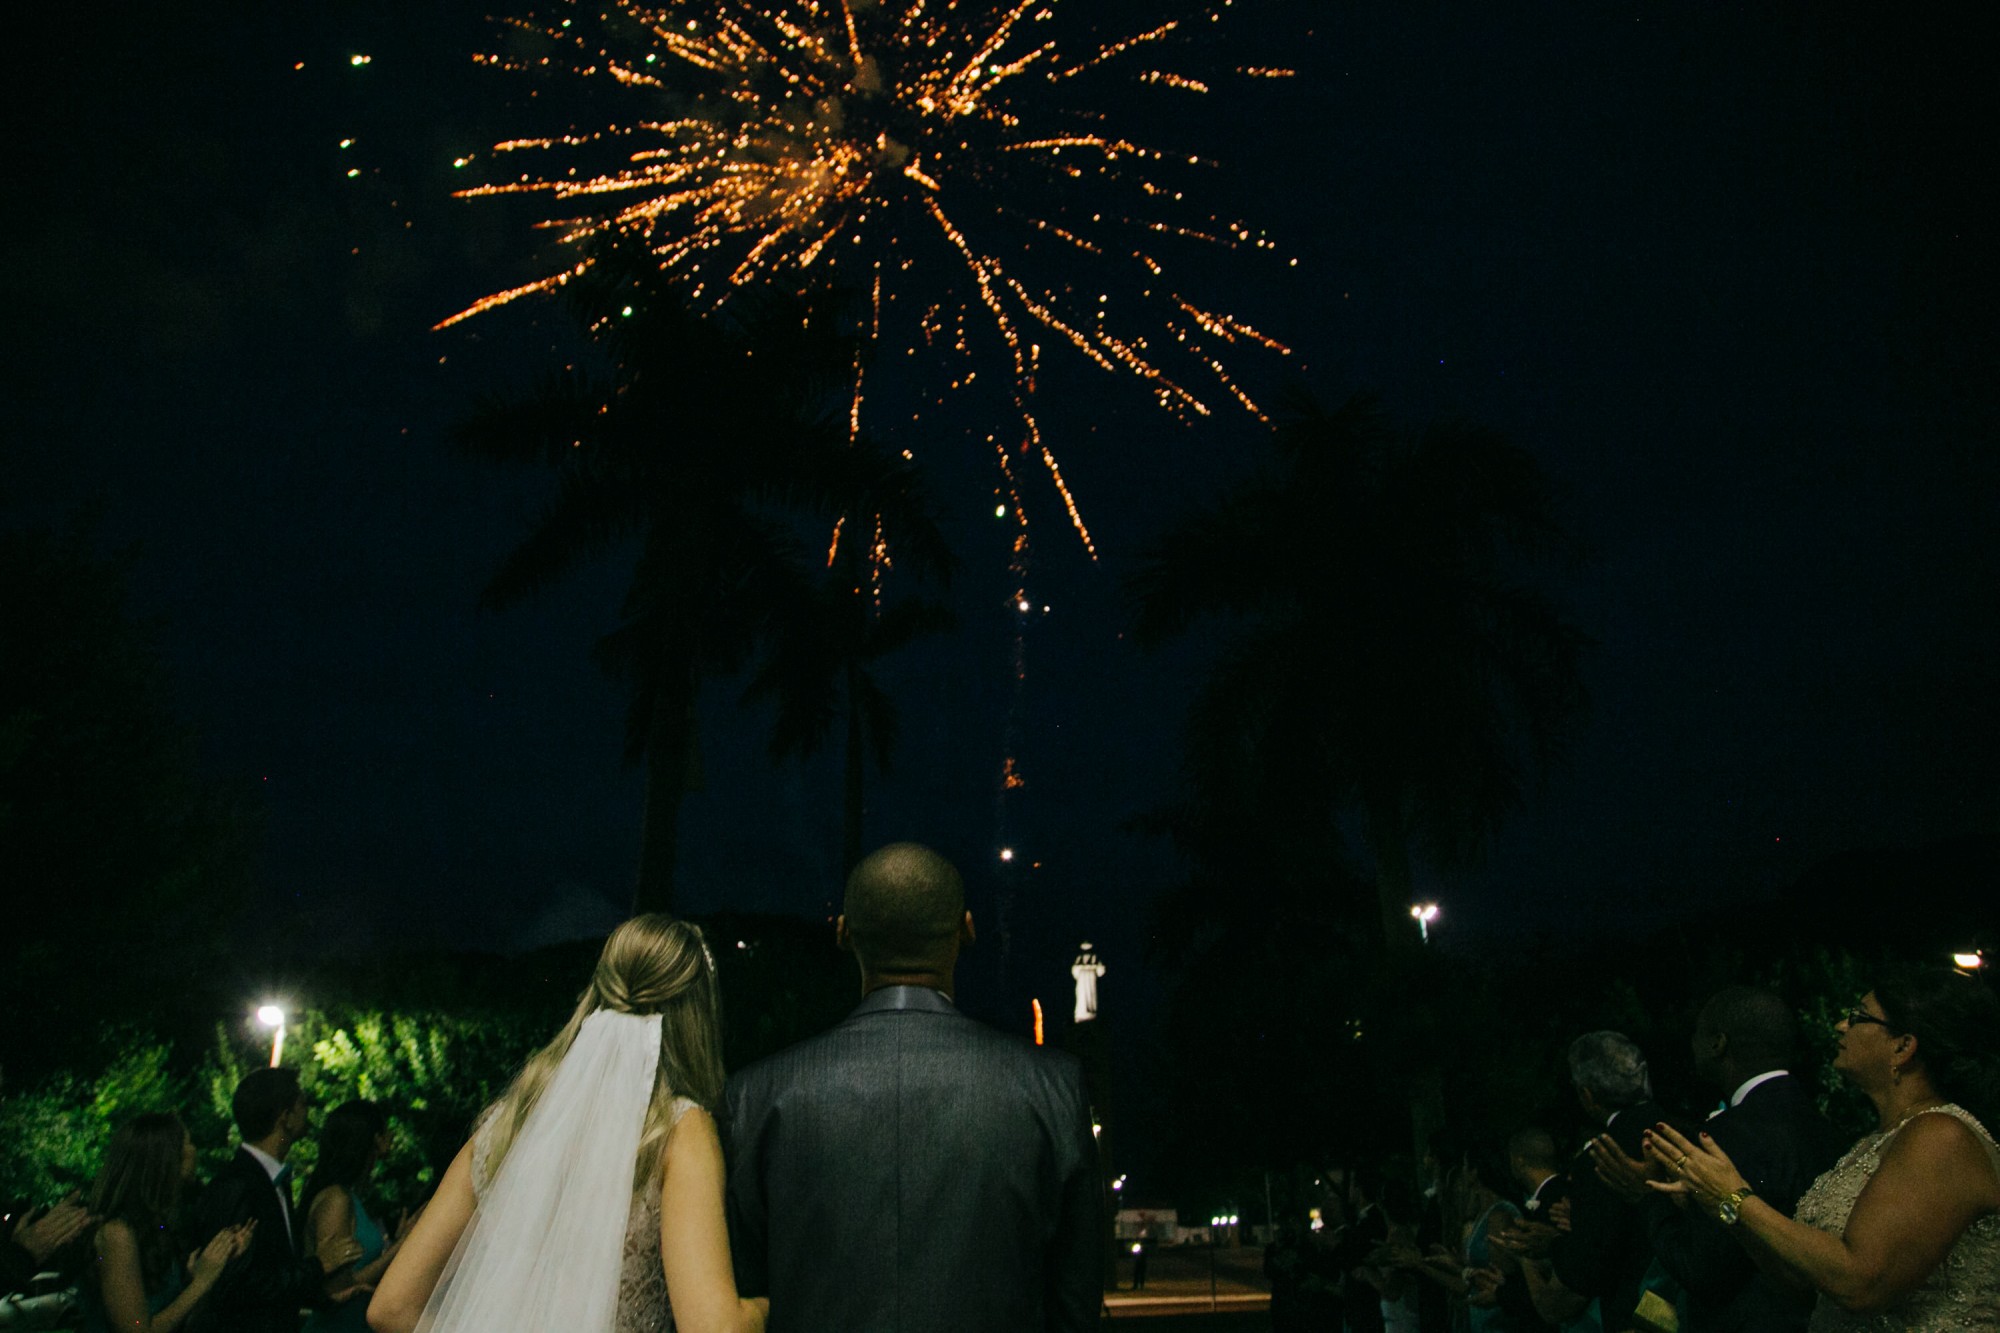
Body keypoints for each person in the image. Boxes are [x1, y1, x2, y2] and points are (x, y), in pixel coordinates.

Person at [722, 842, 1101, 1333]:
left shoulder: (755, 1097)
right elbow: (1074, 1303)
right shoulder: (1053, 1088)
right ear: (967, 929)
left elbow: (746, 1286)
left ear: (843, 933)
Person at [367, 914, 765, 1333]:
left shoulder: (510, 1122)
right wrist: (773, 1306)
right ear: (698, 1014)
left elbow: (391, 1308)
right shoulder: (679, 1131)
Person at [1649, 964, 2000, 1330]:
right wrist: (1722, 1204)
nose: (1840, 1026)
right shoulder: (1871, 1143)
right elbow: (1805, 1287)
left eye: (1858, 1017)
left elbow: (1861, 1284)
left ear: (1902, 1047)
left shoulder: (1942, 1136)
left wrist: (1735, 1196)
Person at [1591, 986, 1843, 1332]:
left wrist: (1647, 1198)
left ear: (1717, 1044)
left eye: (1697, 1033)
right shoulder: (1822, 1124)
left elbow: (1704, 1272)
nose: (1692, 1044)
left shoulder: (1723, 1135)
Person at [192, 1067, 365, 1333]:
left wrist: (322, 1300)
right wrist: (318, 1265)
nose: (307, 1114)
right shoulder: (238, 1185)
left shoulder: (271, 1180)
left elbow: (273, 1271)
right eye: (302, 1105)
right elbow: (237, 1286)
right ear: (286, 1118)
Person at [81, 1112, 251, 1333]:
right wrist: (200, 1282)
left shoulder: (158, 1227)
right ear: (168, 1158)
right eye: (189, 1143)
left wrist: (209, 1271)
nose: (194, 1150)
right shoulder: (117, 1233)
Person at [299, 1101, 410, 1333]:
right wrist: (401, 1247)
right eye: (385, 1130)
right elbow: (339, 1287)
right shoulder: (336, 1199)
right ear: (374, 1138)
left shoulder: (349, 1196)